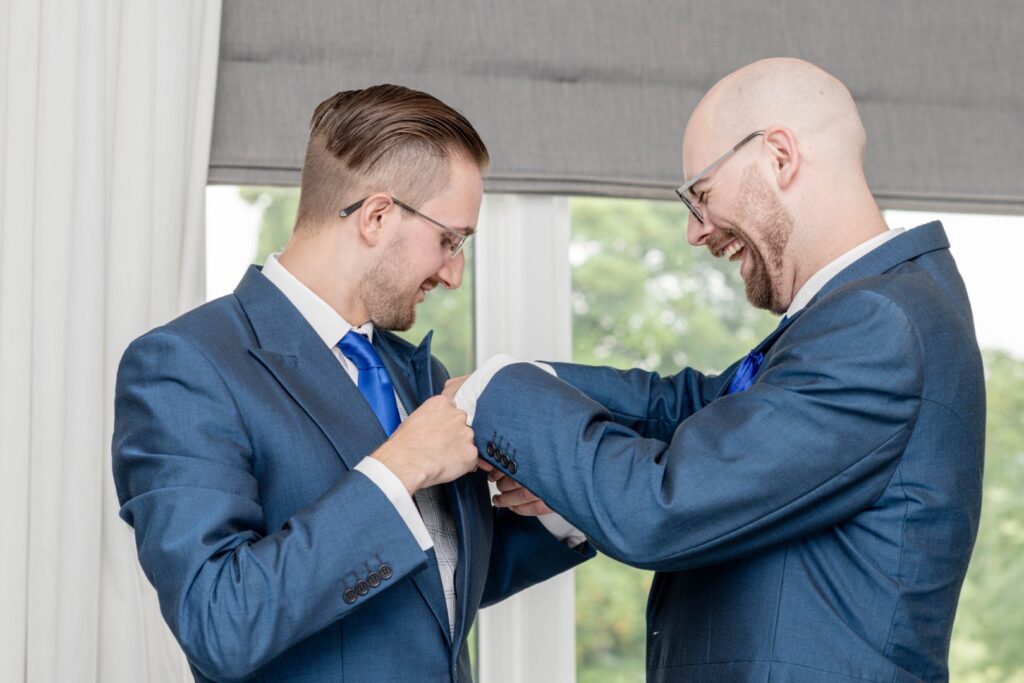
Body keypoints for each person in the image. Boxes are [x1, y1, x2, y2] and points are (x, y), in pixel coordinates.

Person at [446, 58, 985, 682]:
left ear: (778, 156)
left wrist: (492, 393)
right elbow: (687, 408)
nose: (695, 230)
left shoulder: (875, 325)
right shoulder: (863, 313)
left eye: (701, 194)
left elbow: (660, 510)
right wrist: (530, 384)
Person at [112, 85, 591, 683]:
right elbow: (221, 625)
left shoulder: (414, 374)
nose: (454, 273)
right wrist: (399, 468)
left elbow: (424, 587)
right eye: (450, 240)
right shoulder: (184, 367)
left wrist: (555, 511)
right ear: (377, 216)